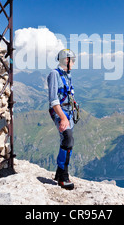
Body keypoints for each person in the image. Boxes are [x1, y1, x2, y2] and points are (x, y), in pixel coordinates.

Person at [47, 49, 78, 190]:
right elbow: (53, 100)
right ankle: (63, 177)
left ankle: (59, 174)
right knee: (67, 138)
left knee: (68, 141)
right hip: (60, 111)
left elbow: (66, 92)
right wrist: (63, 118)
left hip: (68, 110)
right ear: (66, 60)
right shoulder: (55, 74)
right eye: (72, 60)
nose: (73, 63)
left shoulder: (67, 75)